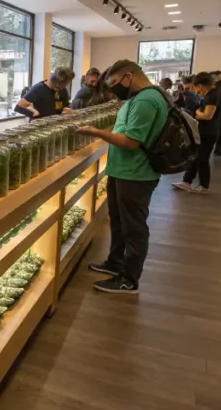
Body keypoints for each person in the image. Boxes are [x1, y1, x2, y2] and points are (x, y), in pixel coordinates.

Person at [75, 60, 167, 294]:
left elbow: (130, 141)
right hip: (123, 171)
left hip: (136, 173)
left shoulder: (147, 100)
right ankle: (115, 263)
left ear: (128, 76)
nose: (113, 88)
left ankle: (129, 278)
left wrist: (96, 132)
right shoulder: (138, 98)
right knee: (119, 222)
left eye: (115, 83)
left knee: (133, 227)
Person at [174, 72, 221, 194]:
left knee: (202, 159)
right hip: (204, 131)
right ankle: (187, 181)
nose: (195, 90)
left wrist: (197, 113)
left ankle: (204, 185)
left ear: (201, 85)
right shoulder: (211, 95)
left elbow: (207, 115)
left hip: (208, 132)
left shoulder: (213, 96)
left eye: (195, 87)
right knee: (195, 156)